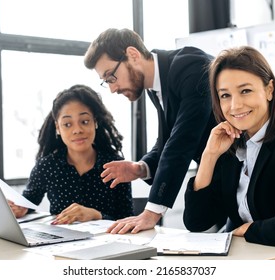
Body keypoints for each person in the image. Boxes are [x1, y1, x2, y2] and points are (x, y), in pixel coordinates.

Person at [183, 46, 275, 259]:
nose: (235, 105)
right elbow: (196, 222)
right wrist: (209, 156)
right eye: (225, 95)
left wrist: (248, 229)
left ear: (269, 90)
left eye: (245, 90)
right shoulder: (230, 144)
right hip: (252, 259)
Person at [84, 28, 216, 234]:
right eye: (106, 82)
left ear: (133, 55)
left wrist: (151, 212)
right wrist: (140, 168)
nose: (112, 89)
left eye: (111, 77)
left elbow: (182, 141)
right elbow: (168, 138)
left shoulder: (190, 67)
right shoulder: (155, 86)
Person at [9, 84, 133, 224]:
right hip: (59, 243)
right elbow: (28, 203)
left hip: (109, 243)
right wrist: (19, 208)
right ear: (58, 128)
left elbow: (127, 219)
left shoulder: (116, 166)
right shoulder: (47, 166)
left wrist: (96, 215)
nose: (77, 130)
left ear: (95, 122)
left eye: (84, 121)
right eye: (67, 124)